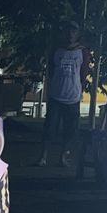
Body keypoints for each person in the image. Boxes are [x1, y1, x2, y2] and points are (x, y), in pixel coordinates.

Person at [36, 26, 90, 168]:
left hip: (73, 97)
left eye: (73, 32)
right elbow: (51, 70)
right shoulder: (56, 50)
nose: (70, 34)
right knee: (50, 127)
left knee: (70, 130)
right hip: (56, 95)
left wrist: (80, 88)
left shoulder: (82, 52)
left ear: (78, 34)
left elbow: (84, 72)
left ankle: (63, 156)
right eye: (68, 31)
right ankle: (43, 156)